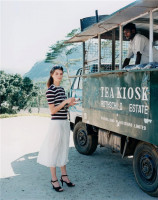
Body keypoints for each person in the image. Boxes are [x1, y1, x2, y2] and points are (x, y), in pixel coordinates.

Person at [37, 66, 76, 192]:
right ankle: (54, 179)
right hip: (56, 124)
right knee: (54, 151)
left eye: (61, 74)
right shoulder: (50, 90)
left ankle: (64, 176)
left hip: (64, 122)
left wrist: (69, 104)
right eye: (57, 73)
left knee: (63, 149)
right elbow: (53, 111)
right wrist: (65, 102)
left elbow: (62, 108)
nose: (59, 76)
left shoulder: (61, 89)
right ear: (52, 75)